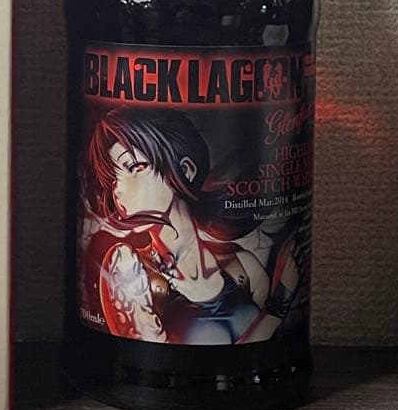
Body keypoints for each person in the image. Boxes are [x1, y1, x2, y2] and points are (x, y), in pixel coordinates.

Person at [77, 108, 299, 345]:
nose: (118, 189)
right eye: (112, 178)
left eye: (134, 168)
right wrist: (277, 308)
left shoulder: (242, 263)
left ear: (185, 170)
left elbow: (257, 351)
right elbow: (147, 355)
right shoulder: (129, 270)